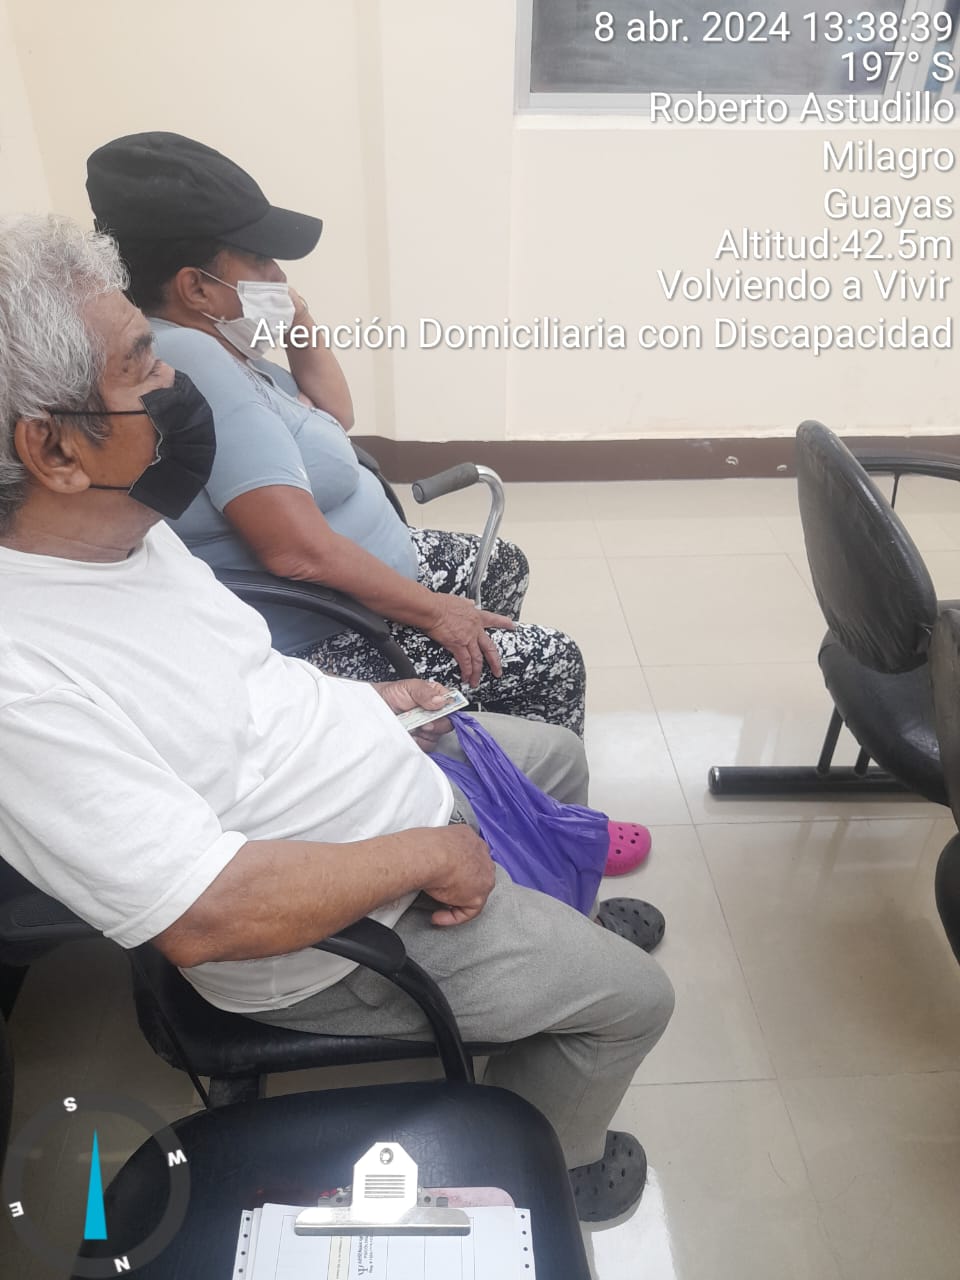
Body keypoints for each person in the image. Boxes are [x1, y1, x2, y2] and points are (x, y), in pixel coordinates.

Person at [0, 215, 673, 1221]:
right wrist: (425, 854)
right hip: (331, 934)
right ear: (53, 447)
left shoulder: (125, 530)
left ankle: (552, 916)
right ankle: (551, 1167)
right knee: (636, 1003)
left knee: (557, 760)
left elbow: (243, 681)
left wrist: (375, 703)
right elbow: (205, 916)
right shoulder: (22, 675)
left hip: (373, 772)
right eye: (142, 365)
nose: (176, 380)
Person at [82, 131, 589, 739]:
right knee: (555, 661)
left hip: (358, 589)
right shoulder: (196, 362)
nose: (278, 276)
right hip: (324, 627)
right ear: (196, 288)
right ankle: (490, 779)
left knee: (503, 564)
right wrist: (438, 613)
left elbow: (335, 412)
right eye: (261, 262)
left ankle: (474, 742)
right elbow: (295, 552)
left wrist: (294, 313)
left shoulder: (214, 345)